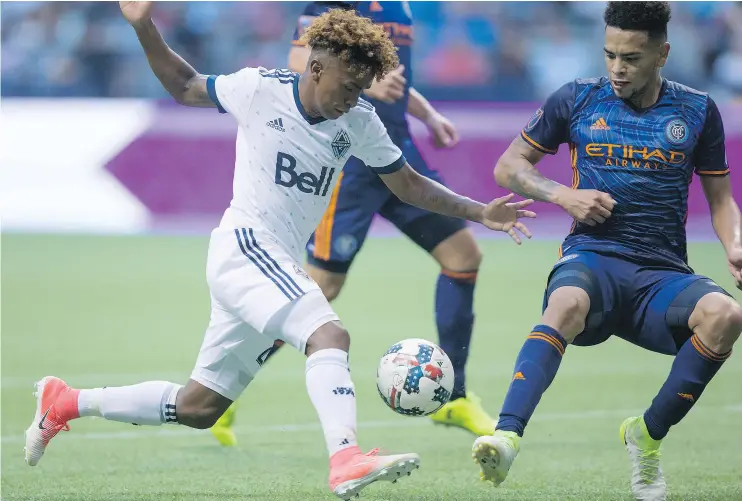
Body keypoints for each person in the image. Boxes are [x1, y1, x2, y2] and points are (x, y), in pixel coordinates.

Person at [23, 3, 536, 500]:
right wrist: (144, 26)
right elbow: (184, 86)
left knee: (200, 406)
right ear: (316, 67)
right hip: (245, 245)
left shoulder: (359, 120)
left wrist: (479, 213)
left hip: (272, 264)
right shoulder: (259, 89)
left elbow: (407, 185)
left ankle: (66, 402)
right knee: (329, 333)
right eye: (348, 85)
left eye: (362, 88)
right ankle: (345, 458)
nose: (354, 97)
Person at [470, 3, 742, 501]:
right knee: (566, 304)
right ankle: (507, 436)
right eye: (610, 54)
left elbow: (721, 200)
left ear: (663, 53)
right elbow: (509, 167)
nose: (617, 68)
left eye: (632, 58)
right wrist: (561, 195)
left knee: (726, 315)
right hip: (592, 258)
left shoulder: (698, 110)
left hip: (662, 274)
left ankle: (646, 435)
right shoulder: (577, 99)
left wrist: (734, 243)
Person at [210, 0, 496, 448]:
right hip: (347, 161)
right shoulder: (333, 4)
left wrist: (427, 114)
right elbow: (299, 61)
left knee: (463, 256)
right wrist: (366, 88)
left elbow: (394, 84)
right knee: (317, 291)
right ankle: (225, 389)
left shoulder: (401, 6)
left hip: (398, 154)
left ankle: (455, 398)